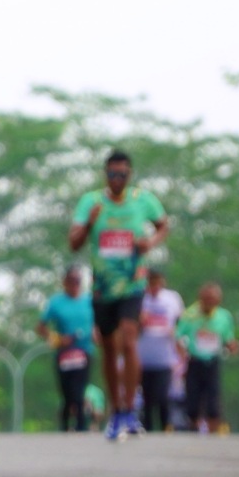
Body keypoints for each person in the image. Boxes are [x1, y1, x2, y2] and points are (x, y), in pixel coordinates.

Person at [68, 150, 169, 440]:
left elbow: (163, 224)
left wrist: (151, 241)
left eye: (122, 174)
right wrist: (89, 224)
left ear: (130, 174)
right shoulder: (91, 202)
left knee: (129, 337)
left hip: (132, 284)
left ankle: (130, 409)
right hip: (102, 288)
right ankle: (117, 410)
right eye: (112, 174)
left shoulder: (142, 200)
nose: (117, 179)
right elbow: (73, 243)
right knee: (109, 348)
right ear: (105, 174)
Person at [176, 281, 239, 434]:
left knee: (213, 397)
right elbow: (178, 336)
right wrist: (181, 354)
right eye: (207, 300)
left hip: (213, 361)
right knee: (193, 396)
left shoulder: (224, 316)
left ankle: (213, 429)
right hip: (194, 360)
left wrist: (232, 346)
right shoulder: (190, 315)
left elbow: (228, 338)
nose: (210, 304)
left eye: (213, 300)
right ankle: (193, 425)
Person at [37, 268, 96, 432]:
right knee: (67, 392)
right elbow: (41, 327)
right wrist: (57, 339)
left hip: (84, 352)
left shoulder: (88, 301)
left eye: (77, 281)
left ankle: (81, 425)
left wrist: (95, 333)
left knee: (80, 391)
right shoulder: (56, 303)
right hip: (64, 353)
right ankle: (64, 425)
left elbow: (96, 323)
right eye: (71, 281)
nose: (74, 285)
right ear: (65, 282)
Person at [135, 269, 184, 434]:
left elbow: (182, 322)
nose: (155, 287)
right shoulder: (139, 299)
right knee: (147, 398)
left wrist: (177, 335)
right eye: (151, 283)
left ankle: (165, 427)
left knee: (163, 396)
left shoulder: (172, 299)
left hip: (165, 357)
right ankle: (147, 429)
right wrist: (140, 322)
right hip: (143, 357)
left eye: (158, 283)